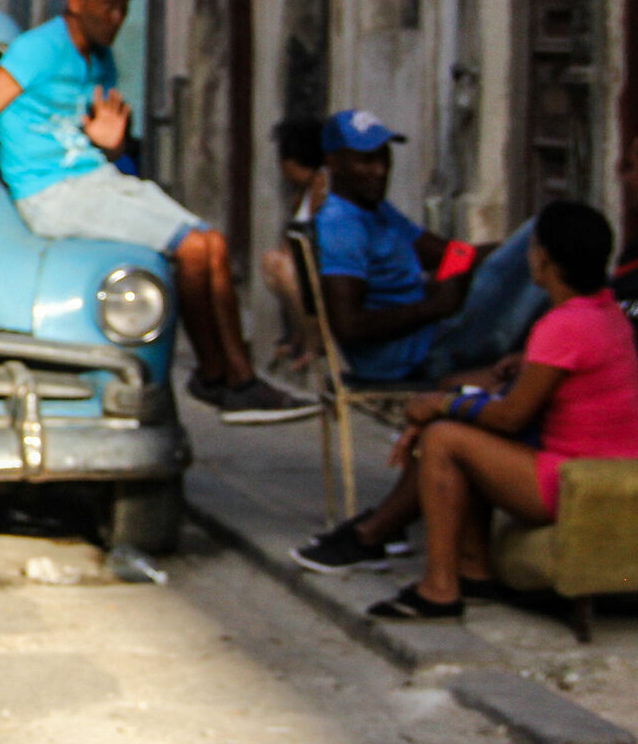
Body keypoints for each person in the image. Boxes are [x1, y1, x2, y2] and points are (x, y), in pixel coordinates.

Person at [0, 0, 316, 425]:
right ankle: (230, 381)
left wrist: (111, 144)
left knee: (212, 244)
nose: (116, 17)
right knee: (193, 249)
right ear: (75, 1)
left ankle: (227, 377)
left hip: (98, 179)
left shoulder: (101, 60)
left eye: (123, 7)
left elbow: (100, 142)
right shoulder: (38, 48)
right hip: (53, 195)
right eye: (107, 4)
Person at [362, 201, 638, 620]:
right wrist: (517, 369)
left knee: (444, 439)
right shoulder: (608, 312)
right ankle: (474, 571)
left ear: (542, 259)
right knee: (470, 427)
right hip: (608, 468)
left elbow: (511, 417)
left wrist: (440, 405)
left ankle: (439, 589)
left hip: (572, 479)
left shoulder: (561, 325)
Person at [313, 110, 547, 385]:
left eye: (384, 157)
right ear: (334, 164)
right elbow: (348, 326)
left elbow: (448, 254)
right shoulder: (342, 226)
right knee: (545, 228)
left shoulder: (376, 209)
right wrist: (433, 306)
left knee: (543, 241)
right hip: (418, 356)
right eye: (366, 160)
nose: (380, 170)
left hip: (436, 327)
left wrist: (493, 261)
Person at [260, 116, 331, 372]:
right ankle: (299, 337)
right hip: (309, 271)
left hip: (328, 275)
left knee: (284, 268)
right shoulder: (303, 193)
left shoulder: (323, 186)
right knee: (275, 263)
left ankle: (315, 344)